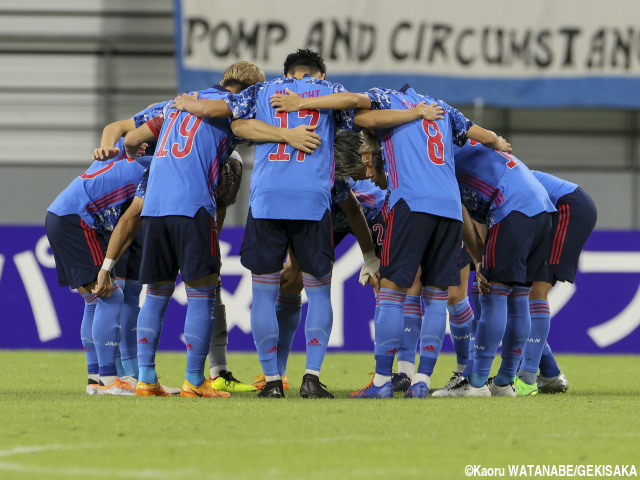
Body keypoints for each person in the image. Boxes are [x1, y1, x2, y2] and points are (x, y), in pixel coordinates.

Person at [270, 84, 509, 399]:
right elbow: (481, 134)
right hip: (450, 207)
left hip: (410, 201)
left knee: (393, 293)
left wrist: (303, 101)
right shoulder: (442, 107)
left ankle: (383, 380)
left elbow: (356, 106)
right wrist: (499, 141)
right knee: (437, 298)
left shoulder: (388, 99)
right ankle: (421, 380)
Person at [172, 49, 359, 399]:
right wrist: (298, 122)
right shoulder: (329, 91)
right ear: (318, 74)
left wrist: (278, 132)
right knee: (318, 290)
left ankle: (272, 381)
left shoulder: (262, 92)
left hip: (267, 199)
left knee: (263, 292)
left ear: (286, 72)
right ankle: (311, 378)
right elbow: (357, 105)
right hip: (312, 199)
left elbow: (237, 124)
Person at [121, 61, 266, 398]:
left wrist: (133, 152)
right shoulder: (233, 107)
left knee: (155, 295)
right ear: (250, 89)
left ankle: (145, 380)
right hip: (192, 206)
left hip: (154, 208)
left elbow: (133, 137)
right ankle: (195, 382)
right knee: (202, 295)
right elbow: (249, 131)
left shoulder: (177, 104)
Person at [45, 101, 163, 395]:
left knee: (95, 300)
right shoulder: (158, 166)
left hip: (63, 214)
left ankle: (96, 380)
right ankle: (111, 381)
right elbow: (131, 217)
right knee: (111, 295)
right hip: (77, 218)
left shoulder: (131, 149)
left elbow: (116, 128)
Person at [432, 141, 556, 397]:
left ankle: (477, 383)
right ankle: (503, 382)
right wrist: (482, 258)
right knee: (519, 298)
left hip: (512, 208)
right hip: (542, 210)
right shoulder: (468, 146)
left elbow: (463, 214)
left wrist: (480, 261)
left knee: (492, 294)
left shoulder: (440, 156)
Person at [513, 170, 597, 395]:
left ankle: (527, 379)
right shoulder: (491, 171)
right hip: (557, 210)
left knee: (535, 290)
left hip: (568, 208)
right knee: (520, 293)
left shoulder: (487, 177)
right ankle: (549, 374)